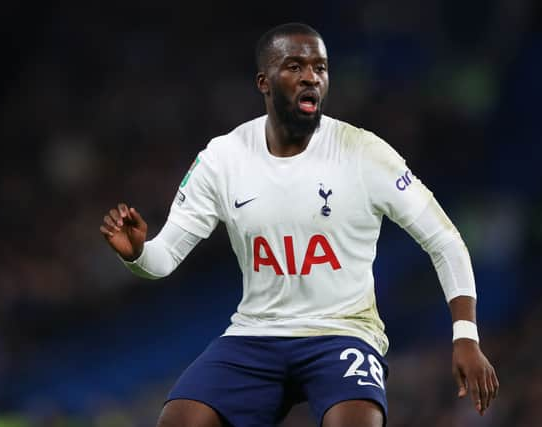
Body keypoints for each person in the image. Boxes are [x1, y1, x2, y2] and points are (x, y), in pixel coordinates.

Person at [99, 22, 498, 427]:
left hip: (343, 332)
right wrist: (137, 254)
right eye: (294, 66)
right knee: (179, 421)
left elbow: (445, 241)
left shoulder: (363, 153)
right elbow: (163, 259)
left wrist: (465, 334)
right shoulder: (223, 158)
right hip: (256, 334)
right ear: (264, 82)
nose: (311, 76)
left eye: (320, 67)